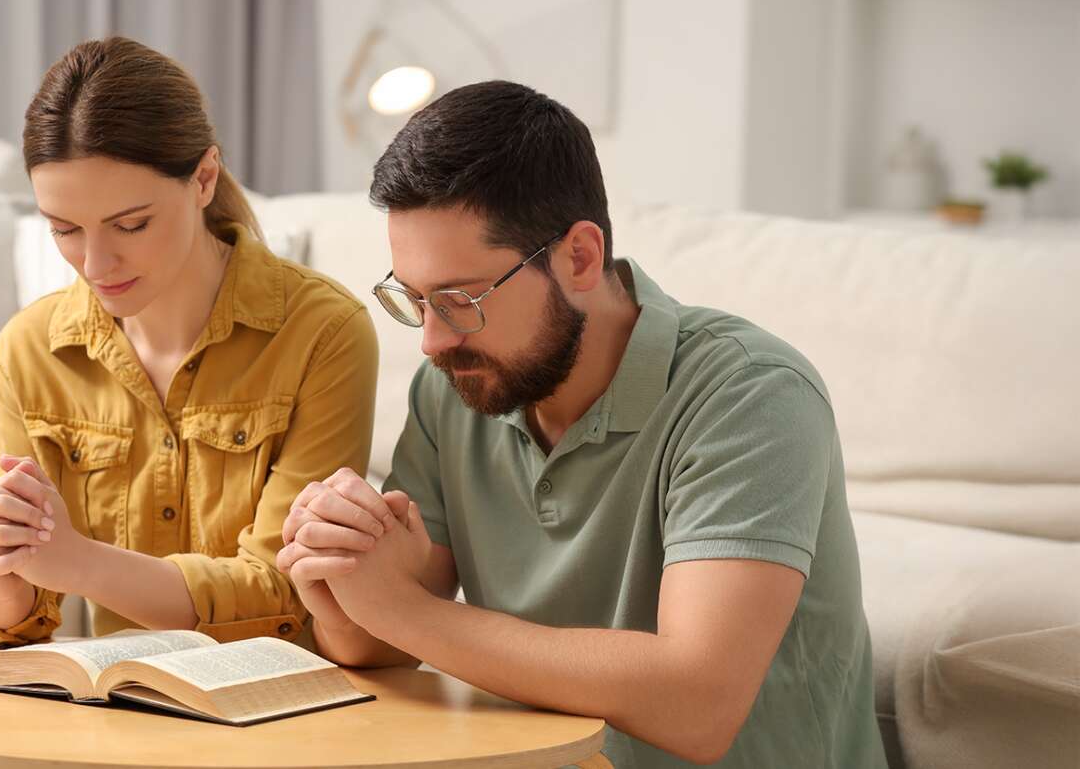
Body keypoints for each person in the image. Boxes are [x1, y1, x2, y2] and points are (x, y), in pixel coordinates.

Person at [275, 80, 887, 767]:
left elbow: (699, 704)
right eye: (413, 300)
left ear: (580, 258)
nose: (432, 342)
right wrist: (336, 577)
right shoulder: (458, 388)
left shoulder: (752, 394)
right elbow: (383, 643)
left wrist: (403, 611)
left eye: (459, 299)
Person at [0, 36, 378, 648]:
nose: (95, 263)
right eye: (65, 230)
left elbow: (288, 591)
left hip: (282, 708)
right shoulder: (29, 349)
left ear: (203, 178)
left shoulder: (322, 331)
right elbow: (13, 617)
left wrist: (77, 562)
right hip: (124, 707)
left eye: (131, 224)